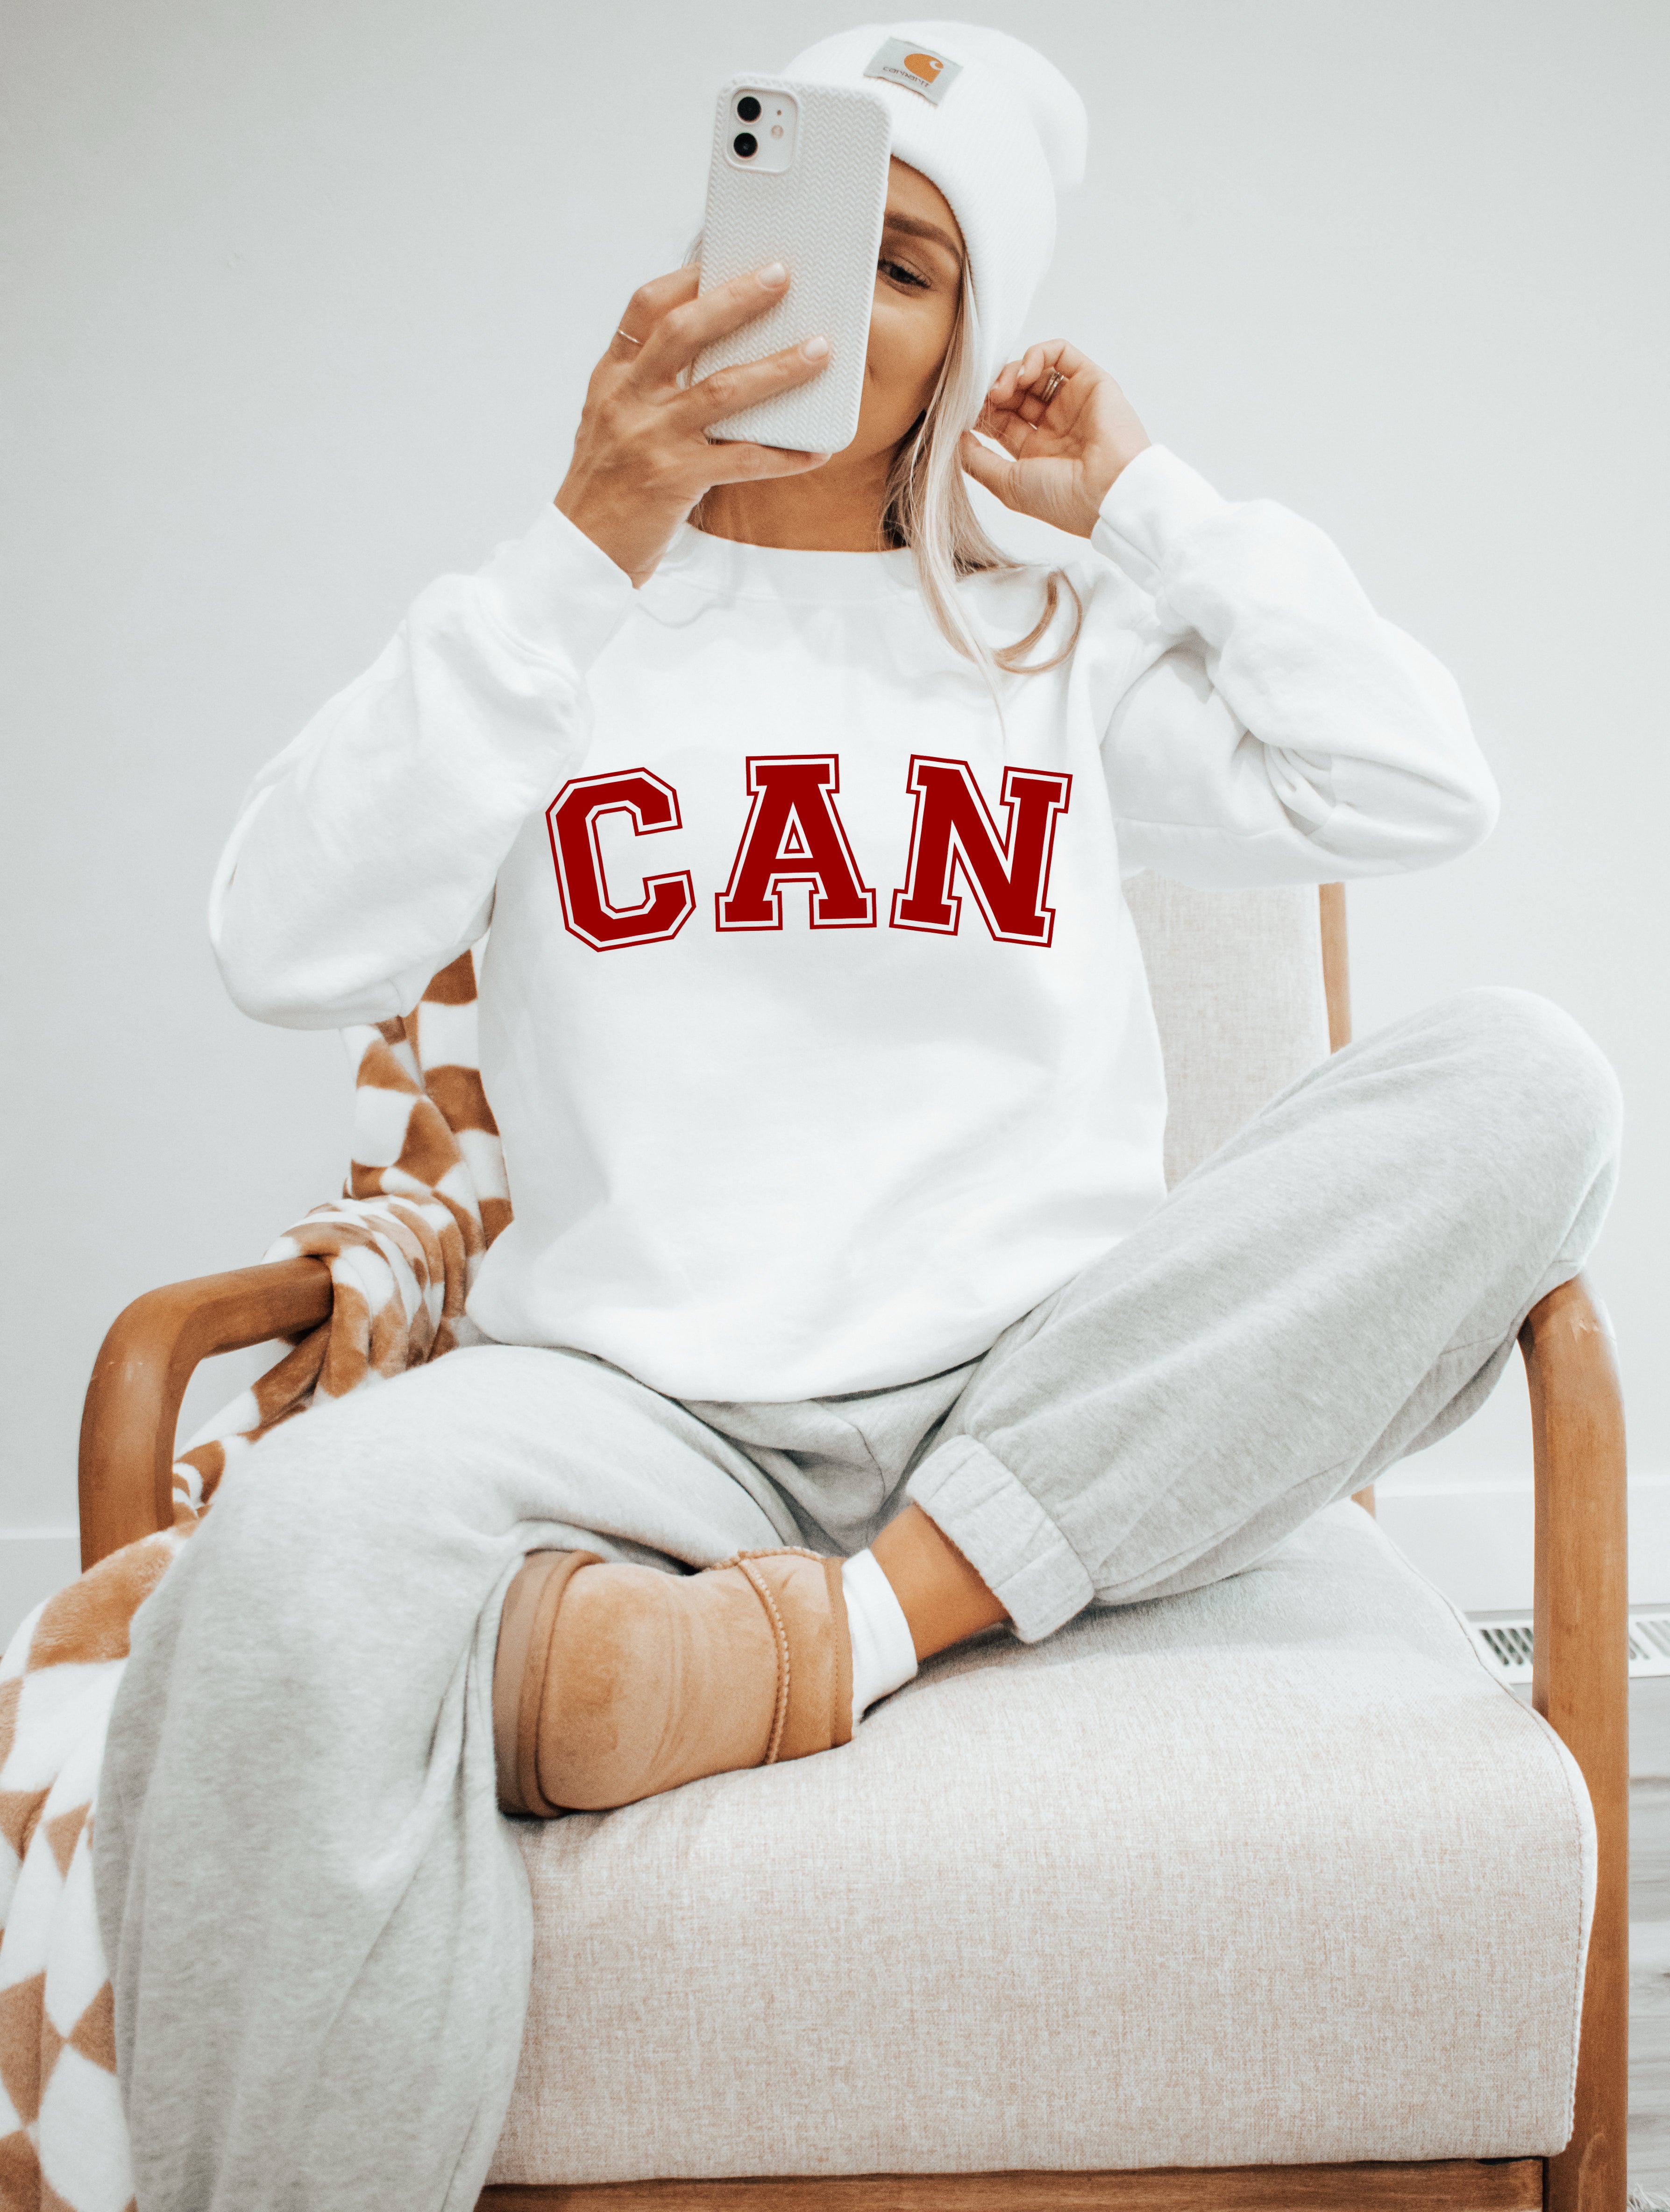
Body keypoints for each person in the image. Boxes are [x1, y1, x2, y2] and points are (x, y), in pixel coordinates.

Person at [92, 19, 1620, 2210]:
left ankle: (848, 1627)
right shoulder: (558, 624)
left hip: (1039, 1383)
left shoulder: (1056, 640)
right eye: (798, 232)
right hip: (638, 1407)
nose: (832, 298)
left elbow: (1414, 782)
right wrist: (585, 533)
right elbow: (280, 933)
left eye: (908, 267)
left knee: (1532, 1080)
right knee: (286, 1565)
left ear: (964, 347)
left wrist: (1145, 502)